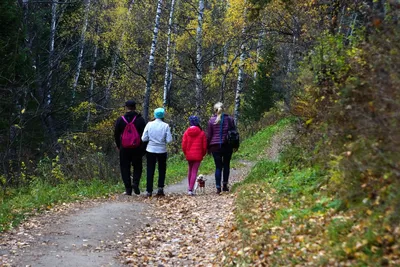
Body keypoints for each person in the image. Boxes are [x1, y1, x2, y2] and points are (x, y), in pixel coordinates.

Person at [114, 100, 146, 196]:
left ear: (126, 107)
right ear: (134, 107)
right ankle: (135, 183)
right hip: (137, 147)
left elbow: (116, 134)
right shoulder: (140, 119)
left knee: (125, 167)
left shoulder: (120, 119)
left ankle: (128, 189)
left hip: (124, 148)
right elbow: (145, 134)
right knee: (137, 166)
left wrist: (119, 146)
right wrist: (143, 148)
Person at [141, 107, 172, 197]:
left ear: (154, 115)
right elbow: (169, 140)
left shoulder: (149, 124)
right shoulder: (165, 126)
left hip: (150, 149)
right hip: (162, 150)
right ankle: (160, 189)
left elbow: (143, 138)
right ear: (163, 115)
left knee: (150, 169)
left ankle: (149, 190)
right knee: (162, 169)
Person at [207, 102, 235, 194]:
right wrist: (235, 146)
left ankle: (218, 187)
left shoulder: (211, 121)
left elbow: (209, 136)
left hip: (215, 147)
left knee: (218, 167)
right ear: (223, 109)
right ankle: (225, 185)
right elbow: (234, 133)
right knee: (226, 165)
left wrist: (208, 147)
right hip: (227, 145)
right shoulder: (230, 119)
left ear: (215, 110)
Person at [181, 116, 207, 196]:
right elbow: (204, 146)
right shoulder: (201, 133)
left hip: (189, 155)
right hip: (198, 155)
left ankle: (190, 188)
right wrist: (203, 153)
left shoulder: (186, 132)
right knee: (194, 171)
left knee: (190, 170)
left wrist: (186, 153)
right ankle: (190, 189)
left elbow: (183, 145)